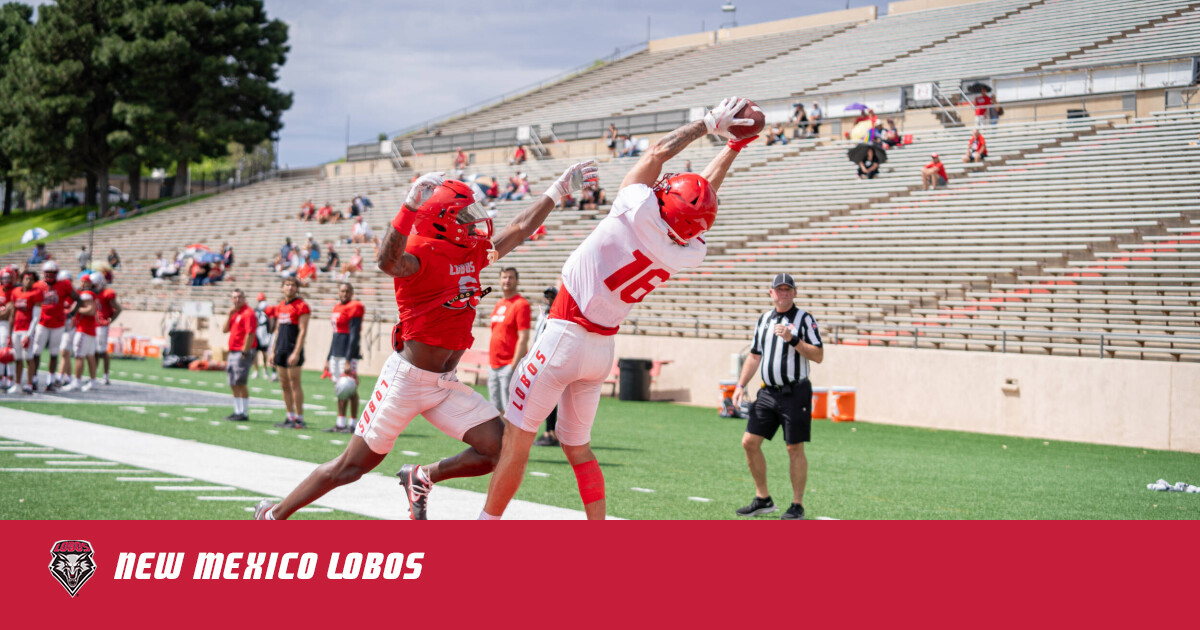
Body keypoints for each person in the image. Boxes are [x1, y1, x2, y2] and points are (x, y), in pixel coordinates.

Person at [253, 159, 597, 522]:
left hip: (444, 384)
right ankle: (274, 515)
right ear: (440, 219)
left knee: (498, 449)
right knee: (351, 467)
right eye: (465, 214)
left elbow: (518, 228)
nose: (475, 220)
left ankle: (421, 476)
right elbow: (388, 261)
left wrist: (557, 191)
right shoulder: (421, 251)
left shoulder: (468, 250)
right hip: (407, 379)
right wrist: (408, 208)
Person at [481, 95, 755, 520]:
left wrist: (708, 123)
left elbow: (658, 153)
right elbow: (698, 202)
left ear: (662, 201)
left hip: (563, 334)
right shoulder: (687, 250)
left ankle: (484, 528)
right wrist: (733, 148)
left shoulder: (637, 206)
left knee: (516, 441)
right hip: (601, 351)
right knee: (578, 449)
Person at [731, 272, 824, 521]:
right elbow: (754, 355)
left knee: (794, 448)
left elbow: (818, 355)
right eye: (779, 289)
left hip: (795, 392)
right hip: (767, 392)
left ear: (795, 293)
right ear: (770, 293)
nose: (783, 293)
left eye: (787, 289)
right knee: (749, 442)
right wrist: (740, 385)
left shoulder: (804, 319)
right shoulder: (764, 319)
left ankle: (797, 504)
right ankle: (763, 499)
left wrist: (792, 339)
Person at [487, 267, 531, 412]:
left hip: (508, 365)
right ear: (500, 280)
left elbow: (523, 337)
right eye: (504, 277)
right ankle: (501, 436)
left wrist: (513, 366)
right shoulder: (499, 303)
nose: (507, 281)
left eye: (511, 277)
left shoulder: (521, 304)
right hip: (493, 365)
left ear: (517, 281)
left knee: (510, 411)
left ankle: (511, 436)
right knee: (496, 409)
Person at [30, 261, 78, 391]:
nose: (50, 276)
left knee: (54, 353)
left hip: (57, 324)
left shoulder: (64, 285)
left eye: (53, 274)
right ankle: (33, 379)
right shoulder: (38, 285)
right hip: (42, 323)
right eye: (48, 273)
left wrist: (71, 314)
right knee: (36, 352)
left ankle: (50, 381)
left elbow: (78, 299)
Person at [323, 283, 364, 433]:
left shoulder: (355, 306)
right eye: (342, 291)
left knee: (350, 389)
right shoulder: (336, 307)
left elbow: (354, 334)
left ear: (352, 292)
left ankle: (353, 424)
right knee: (340, 389)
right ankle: (340, 423)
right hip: (336, 353)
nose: (344, 293)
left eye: (347, 291)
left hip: (347, 354)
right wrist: (328, 357)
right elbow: (334, 335)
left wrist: (348, 359)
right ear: (338, 292)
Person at [270, 276, 311, 429]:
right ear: (282, 287)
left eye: (293, 285)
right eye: (287, 285)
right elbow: (277, 330)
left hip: (293, 348)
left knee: (294, 383)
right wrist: (273, 351)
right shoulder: (280, 306)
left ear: (297, 288)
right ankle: (289, 416)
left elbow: (302, 331)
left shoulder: (302, 306)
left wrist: (296, 352)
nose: (289, 288)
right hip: (280, 348)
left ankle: (299, 418)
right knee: (284, 384)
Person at [531, 286, 561, 447]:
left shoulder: (557, 316)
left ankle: (551, 432)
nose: (548, 299)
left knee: (549, 398)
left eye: (552, 296)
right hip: (538, 359)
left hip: (549, 360)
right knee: (544, 398)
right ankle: (549, 431)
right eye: (547, 296)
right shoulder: (541, 316)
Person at [223, 288, 258, 422]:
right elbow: (225, 330)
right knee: (233, 382)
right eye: (234, 297)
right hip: (233, 351)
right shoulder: (235, 313)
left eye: (239, 297)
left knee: (240, 382)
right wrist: (229, 315)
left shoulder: (248, 313)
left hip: (241, 351)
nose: (237, 300)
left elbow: (250, 333)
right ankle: (237, 410)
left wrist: (244, 351)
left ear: (244, 298)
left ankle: (243, 412)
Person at [62, 273, 100, 392]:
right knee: (90, 357)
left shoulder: (86, 294)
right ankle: (93, 381)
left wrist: (76, 309)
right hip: (90, 329)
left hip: (84, 329)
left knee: (79, 356)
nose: (82, 284)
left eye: (85, 282)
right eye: (82, 281)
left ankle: (77, 381)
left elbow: (91, 310)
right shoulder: (90, 294)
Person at [9, 271, 43, 394]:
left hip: (27, 329)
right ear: (22, 280)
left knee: (28, 358)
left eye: (30, 279)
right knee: (17, 358)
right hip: (16, 329)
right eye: (26, 279)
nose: (28, 281)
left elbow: (36, 317)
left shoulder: (36, 293)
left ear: (34, 281)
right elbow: (12, 314)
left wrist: (29, 334)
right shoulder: (16, 292)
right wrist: (9, 333)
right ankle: (17, 383)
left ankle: (29, 383)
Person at [93, 274, 121, 385]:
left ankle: (105, 376)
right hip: (93, 325)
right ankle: (93, 375)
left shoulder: (107, 293)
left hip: (102, 326)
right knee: (94, 351)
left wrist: (109, 321)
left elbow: (118, 309)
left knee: (102, 351)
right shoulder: (93, 293)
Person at [252, 292, 277, 381]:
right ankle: (258, 371)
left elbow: (272, 320)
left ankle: (264, 370)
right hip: (259, 333)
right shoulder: (256, 310)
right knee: (258, 352)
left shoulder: (267, 309)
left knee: (263, 352)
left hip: (264, 333)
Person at [0, 269, 14, 389]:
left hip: (8, 324)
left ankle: (9, 378)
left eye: (8, 278)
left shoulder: (15, 291)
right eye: (4, 278)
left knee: (7, 352)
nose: (6, 281)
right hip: (2, 322)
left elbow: (10, 312)